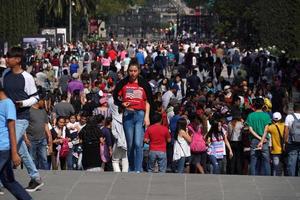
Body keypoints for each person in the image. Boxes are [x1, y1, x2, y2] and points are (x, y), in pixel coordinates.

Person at [2, 47, 43, 192]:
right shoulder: (6, 74)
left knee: (7, 145)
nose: (6, 59)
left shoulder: (27, 77)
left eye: (9, 57)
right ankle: (36, 178)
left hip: (21, 118)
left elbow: (36, 97)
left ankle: (3, 180)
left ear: (18, 60)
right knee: (20, 149)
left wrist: (22, 103)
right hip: (7, 117)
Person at [113, 58, 153, 172]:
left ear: (139, 71)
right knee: (130, 144)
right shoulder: (123, 83)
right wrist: (122, 104)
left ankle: (138, 168)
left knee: (138, 143)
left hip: (140, 114)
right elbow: (115, 96)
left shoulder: (144, 84)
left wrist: (147, 116)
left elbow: (148, 100)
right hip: (127, 115)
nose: (133, 73)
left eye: (135, 71)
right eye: (131, 71)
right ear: (128, 71)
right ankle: (131, 168)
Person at [0, 84, 32, 199]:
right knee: (9, 181)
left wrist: (14, 153)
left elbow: (12, 129)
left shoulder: (7, 104)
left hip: (2, 148)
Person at [26, 93, 53, 170]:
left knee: (44, 159)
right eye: (44, 100)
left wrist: (49, 137)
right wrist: (25, 138)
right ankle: (34, 176)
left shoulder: (43, 111)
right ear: (39, 100)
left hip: (42, 139)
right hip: (31, 139)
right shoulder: (29, 111)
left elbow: (46, 125)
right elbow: (24, 126)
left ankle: (46, 175)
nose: (45, 102)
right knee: (32, 160)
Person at [247, 98, 271, 176]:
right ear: (263, 105)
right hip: (264, 141)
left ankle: (253, 178)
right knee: (266, 160)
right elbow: (266, 130)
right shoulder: (266, 116)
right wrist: (262, 140)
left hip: (254, 140)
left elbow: (250, 130)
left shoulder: (250, 115)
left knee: (253, 160)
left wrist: (259, 139)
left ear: (254, 105)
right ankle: (268, 178)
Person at [284, 103, 300, 176]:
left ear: (293, 109)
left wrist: (285, 141)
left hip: (292, 142)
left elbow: (286, 130)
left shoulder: (289, 116)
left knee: (292, 161)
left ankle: (292, 177)